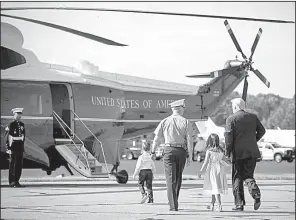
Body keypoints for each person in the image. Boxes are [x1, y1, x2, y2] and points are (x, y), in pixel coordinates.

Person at [151, 99, 193, 211]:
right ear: (181, 108)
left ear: (173, 109)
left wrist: (152, 151)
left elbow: (156, 139)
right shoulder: (186, 122)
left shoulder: (164, 121)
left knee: (170, 179)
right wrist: (190, 156)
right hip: (181, 151)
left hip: (168, 150)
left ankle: (173, 205)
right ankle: (175, 202)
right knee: (178, 178)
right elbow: (189, 140)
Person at [224, 98, 266, 211]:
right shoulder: (253, 117)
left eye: (233, 106)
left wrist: (227, 152)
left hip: (237, 153)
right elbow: (262, 131)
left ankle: (239, 204)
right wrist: (253, 141)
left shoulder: (231, 119)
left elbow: (228, 138)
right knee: (248, 176)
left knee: (237, 177)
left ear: (236, 106)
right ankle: (255, 193)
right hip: (251, 152)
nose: (232, 108)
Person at [198, 133, 230, 212]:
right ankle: (212, 204)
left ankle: (219, 205)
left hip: (212, 169)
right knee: (214, 186)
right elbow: (225, 160)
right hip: (220, 169)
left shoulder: (209, 151)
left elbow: (205, 162)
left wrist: (201, 171)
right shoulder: (221, 150)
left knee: (215, 187)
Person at [5, 108, 26, 187]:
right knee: (12, 164)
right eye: (17, 114)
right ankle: (12, 182)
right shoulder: (11, 124)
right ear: (14, 115)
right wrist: (8, 148)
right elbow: (8, 137)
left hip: (19, 147)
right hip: (13, 147)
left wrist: (22, 147)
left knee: (19, 165)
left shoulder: (22, 124)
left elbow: (23, 136)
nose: (19, 116)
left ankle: (17, 181)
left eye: (20, 114)